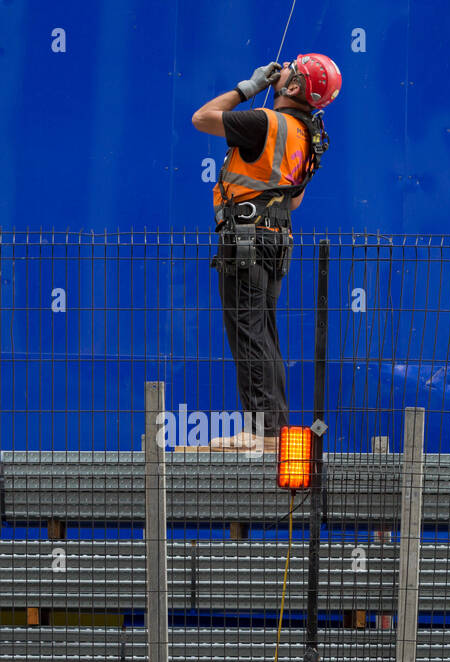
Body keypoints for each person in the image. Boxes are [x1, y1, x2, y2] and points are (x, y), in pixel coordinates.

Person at [191, 55, 341, 453]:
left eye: (292, 68)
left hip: (244, 238)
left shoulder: (265, 123)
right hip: (275, 241)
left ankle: (261, 431)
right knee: (263, 332)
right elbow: (292, 202)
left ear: (293, 88)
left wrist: (248, 88)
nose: (284, 67)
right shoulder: (308, 135)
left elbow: (202, 118)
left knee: (247, 330)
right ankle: (271, 428)